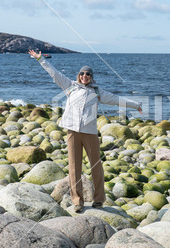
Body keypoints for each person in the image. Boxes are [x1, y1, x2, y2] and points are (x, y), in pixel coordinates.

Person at [28, 49, 142, 213]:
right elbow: (54, 73)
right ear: (78, 75)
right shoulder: (69, 86)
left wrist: (135, 104)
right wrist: (41, 59)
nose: (85, 76)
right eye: (82, 73)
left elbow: (116, 100)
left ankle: (99, 199)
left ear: (91, 76)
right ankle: (77, 201)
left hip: (90, 134)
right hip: (72, 132)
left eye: (88, 74)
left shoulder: (97, 92)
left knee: (96, 166)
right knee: (74, 167)